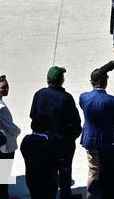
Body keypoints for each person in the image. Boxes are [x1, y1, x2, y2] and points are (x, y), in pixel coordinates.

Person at [30, 66, 82, 199]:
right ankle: (65, 195)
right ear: (61, 80)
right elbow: (76, 122)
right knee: (65, 169)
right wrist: (72, 136)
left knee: (46, 171)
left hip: (43, 141)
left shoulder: (39, 94)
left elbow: (32, 115)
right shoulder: (65, 98)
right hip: (63, 143)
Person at [79, 65, 114, 189]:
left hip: (89, 140)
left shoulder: (83, 97)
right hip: (106, 141)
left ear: (91, 82)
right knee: (107, 171)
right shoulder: (112, 101)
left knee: (93, 171)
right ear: (105, 82)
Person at [0, 75, 22, 199]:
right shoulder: (0, 107)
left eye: (7, 86)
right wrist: (18, 131)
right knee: (3, 177)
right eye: (3, 87)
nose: (7, 89)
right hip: (5, 147)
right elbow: (11, 127)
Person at [21, 114, 60, 199]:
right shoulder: (50, 144)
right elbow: (57, 163)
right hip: (49, 182)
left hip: (32, 180)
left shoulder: (26, 140)